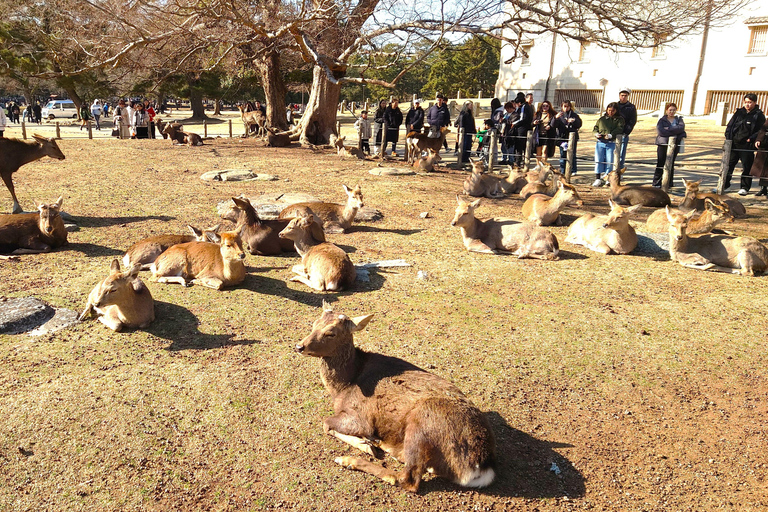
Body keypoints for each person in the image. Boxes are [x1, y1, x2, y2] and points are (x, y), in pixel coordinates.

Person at [725, 93, 765, 195]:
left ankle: (744, 187)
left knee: (746, 167)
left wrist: (751, 139)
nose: (747, 104)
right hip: (734, 144)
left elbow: (761, 130)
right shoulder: (739, 113)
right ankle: (725, 185)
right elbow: (730, 125)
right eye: (746, 102)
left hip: (747, 145)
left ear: (755, 103)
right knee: (729, 165)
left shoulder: (758, 115)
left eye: (750, 102)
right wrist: (728, 136)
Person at [652, 102, 686, 188]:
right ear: (667, 110)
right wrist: (674, 131)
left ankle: (669, 183)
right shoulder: (662, 120)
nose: (672, 112)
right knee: (661, 163)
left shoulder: (679, 120)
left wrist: (669, 129)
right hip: (663, 144)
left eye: (674, 110)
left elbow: (681, 129)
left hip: (675, 144)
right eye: (670, 110)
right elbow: (661, 131)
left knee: (671, 163)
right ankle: (657, 182)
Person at [592, 102, 625, 187]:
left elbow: (620, 128)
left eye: (612, 111)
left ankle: (608, 178)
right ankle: (598, 178)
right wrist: (596, 133)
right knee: (598, 160)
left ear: (616, 111)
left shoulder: (619, 120)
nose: (610, 112)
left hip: (611, 142)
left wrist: (611, 135)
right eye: (609, 110)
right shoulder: (602, 119)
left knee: (610, 161)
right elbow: (596, 127)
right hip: (600, 142)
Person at [554, 100, 582, 175]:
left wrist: (574, 121)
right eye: (564, 106)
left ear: (570, 107)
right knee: (563, 154)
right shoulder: (559, 115)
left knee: (572, 153)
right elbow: (553, 125)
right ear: (562, 106)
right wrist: (556, 118)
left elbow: (579, 124)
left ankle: (573, 170)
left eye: (568, 106)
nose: (566, 108)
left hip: (572, 138)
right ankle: (563, 170)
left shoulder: (574, 115)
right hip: (562, 138)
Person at [510, 92, 533, 167]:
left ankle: (518, 162)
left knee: (520, 146)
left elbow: (522, 118)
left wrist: (514, 123)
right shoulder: (526, 106)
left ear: (519, 102)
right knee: (521, 147)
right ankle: (519, 161)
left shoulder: (524, 107)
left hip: (522, 129)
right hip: (523, 128)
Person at [616, 87, 636, 169]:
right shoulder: (615, 106)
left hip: (623, 133)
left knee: (621, 154)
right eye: (622, 95)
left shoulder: (631, 107)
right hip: (613, 133)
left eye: (625, 95)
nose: (623, 97)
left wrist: (626, 132)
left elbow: (632, 120)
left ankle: (620, 170)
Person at [532, 100, 556, 165]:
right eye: (543, 106)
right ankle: (538, 165)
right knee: (538, 152)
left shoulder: (552, 114)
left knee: (544, 151)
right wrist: (534, 123)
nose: (545, 107)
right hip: (538, 134)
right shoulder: (537, 114)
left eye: (547, 106)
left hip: (547, 135)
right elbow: (532, 123)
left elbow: (555, 124)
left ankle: (543, 165)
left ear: (549, 107)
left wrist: (550, 126)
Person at [749, 117, 768, 196]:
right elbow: (763, 130)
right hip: (765, 144)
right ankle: (763, 188)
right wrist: (759, 140)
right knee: (763, 168)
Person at [499, 101, 518, 165]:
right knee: (503, 147)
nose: (506, 110)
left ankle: (511, 160)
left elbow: (512, 123)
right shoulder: (506, 114)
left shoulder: (515, 115)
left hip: (511, 133)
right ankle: (503, 159)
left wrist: (505, 120)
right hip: (504, 132)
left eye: (507, 108)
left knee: (510, 147)